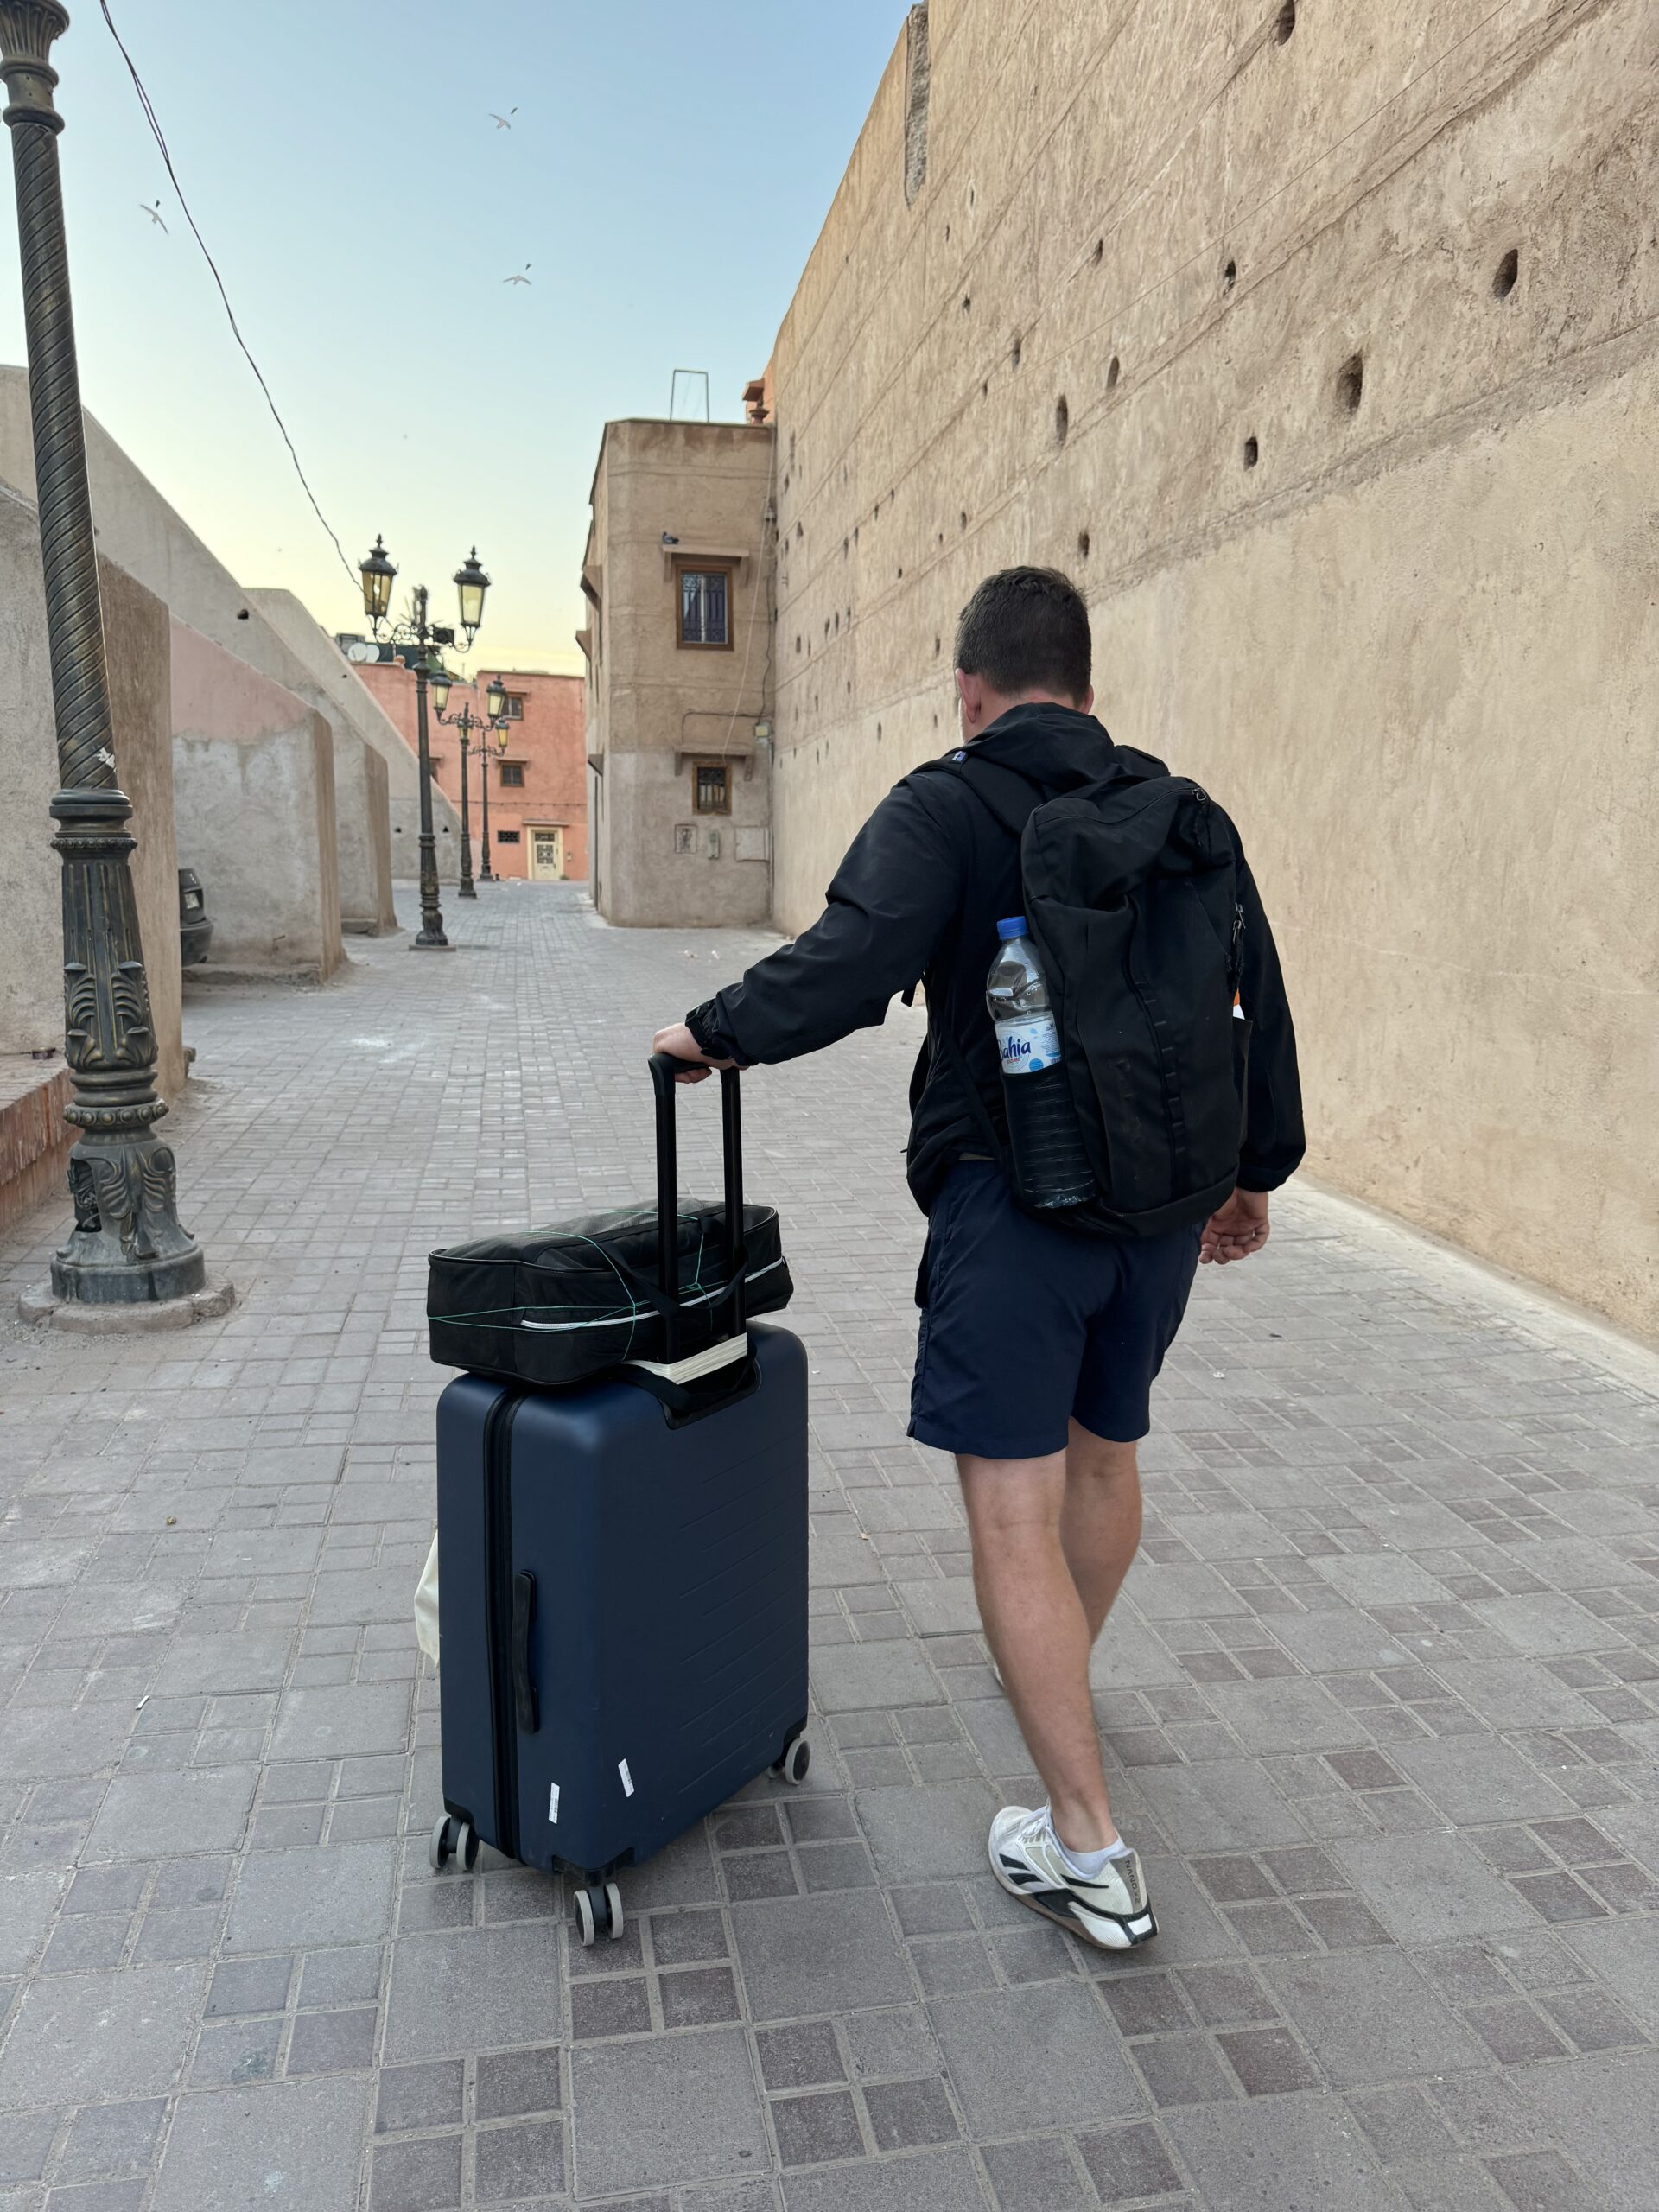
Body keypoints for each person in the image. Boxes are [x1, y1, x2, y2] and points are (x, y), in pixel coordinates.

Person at [653, 567, 1304, 1950]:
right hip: (1158, 1220)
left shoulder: (945, 803)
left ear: (970, 688)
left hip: (1016, 1218)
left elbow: (844, 961)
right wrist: (1253, 1176)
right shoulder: (1182, 812)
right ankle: (1060, 1673)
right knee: (1107, 1458)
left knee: (1010, 1520)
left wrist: (705, 1034)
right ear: (1085, 684)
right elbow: (1263, 1000)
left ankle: (1087, 1851)